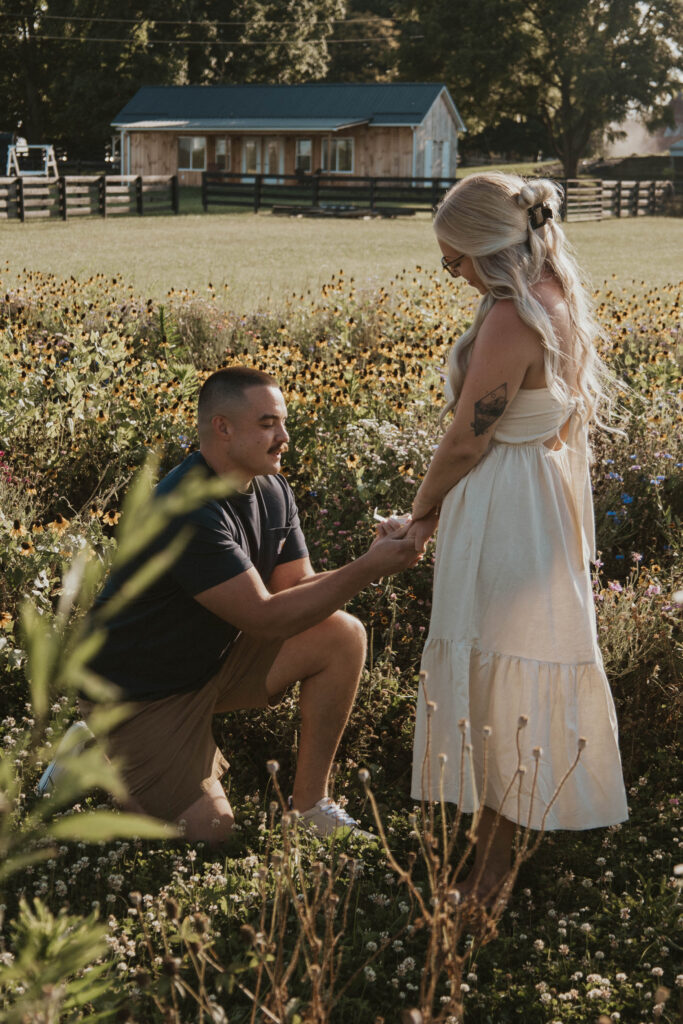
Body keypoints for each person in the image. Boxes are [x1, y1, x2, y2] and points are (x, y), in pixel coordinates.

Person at [43, 367, 419, 841]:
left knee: (342, 634)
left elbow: (295, 589)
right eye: (267, 425)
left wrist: (368, 557)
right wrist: (370, 568)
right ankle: (95, 760)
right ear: (223, 428)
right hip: (137, 696)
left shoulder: (272, 487)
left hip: (208, 665)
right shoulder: (186, 508)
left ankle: (309, 810)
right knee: (213, 832)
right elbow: (263, 616)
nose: (284, 437)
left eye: (282, 423)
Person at [389, 172, 628, 899]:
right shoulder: (556, 298)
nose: (450, 272)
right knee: (509, 687)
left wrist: (420, 515)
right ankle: (489, 872)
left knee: (497, 688)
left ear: (488, 250)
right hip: (536, 504)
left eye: (452, 258)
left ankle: (486, 885)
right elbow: (552, 424)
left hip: (500, 511)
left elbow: (466, 440)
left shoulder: (507, 317)